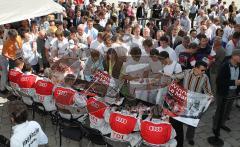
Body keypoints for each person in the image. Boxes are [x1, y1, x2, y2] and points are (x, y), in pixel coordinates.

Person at [169, 61, 213, 146]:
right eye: (202, 70)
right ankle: (176, 136)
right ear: (195, 68)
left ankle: (190, 137)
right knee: (179, 119)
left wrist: (210, 96)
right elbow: (175, 76)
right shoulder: (186, 72)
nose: (204, 72)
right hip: (183, 101)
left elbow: (208, 90)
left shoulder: (205, 77)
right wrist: (170, 78)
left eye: (205, 70)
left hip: (195, 102)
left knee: (192, 122)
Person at [213, 49, 240, 133]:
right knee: (220, 110)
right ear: (234, 56)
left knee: (228, 110)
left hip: (233, 92)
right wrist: (233, 82)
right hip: (224, 92)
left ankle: (222, 124)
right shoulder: (225, 66)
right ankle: (215, 127)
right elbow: (219, 81)